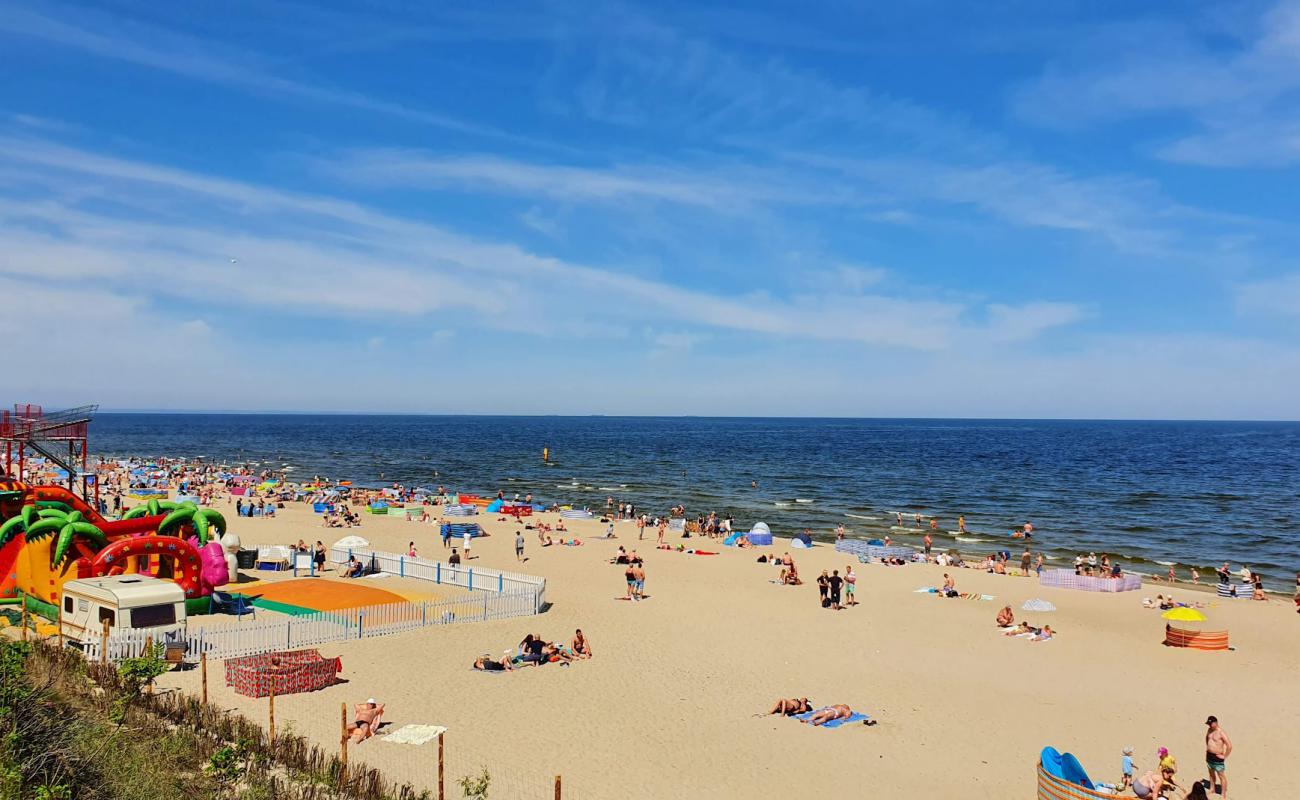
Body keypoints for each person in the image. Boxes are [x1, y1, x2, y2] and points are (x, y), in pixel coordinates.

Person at [1205, 715, 1231, 798]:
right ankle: (1212, 789)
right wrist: (1209, 748)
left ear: (1215, 723)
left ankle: (1223, 794)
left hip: (1218, 757)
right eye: (1208, 724)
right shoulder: (1209, 730)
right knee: (1211, 773)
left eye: (1210, 724)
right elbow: (1207, 738)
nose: (1209, 725)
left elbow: (1229, 745)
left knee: (1221, 775)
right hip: (1209, 756)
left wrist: (1224, 756)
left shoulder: (1221, 733)